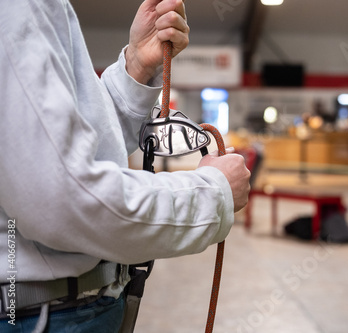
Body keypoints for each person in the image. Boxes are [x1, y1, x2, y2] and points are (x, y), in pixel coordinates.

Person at [0, 0, 251, 331]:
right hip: (41, 317)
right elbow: (63, 200)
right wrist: (213, 194)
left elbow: (66, 146)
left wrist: (135, 66)